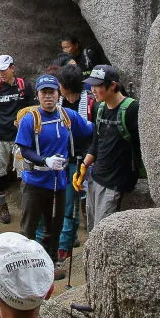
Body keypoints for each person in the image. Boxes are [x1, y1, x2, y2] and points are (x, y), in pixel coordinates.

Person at [16, 74, 92, 280]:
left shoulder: (68, 116)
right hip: (35, 180)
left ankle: (51, 262)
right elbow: (24, 149)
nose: (48, 97)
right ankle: (23, 266)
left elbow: (88, 130)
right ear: (37, 95)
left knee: (55, 225)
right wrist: (45, 160)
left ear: (58, 94)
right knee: (29, 227)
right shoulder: (30, 119)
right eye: (44, 93)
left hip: (59, 181)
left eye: (52, 92)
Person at [75, 65, 141, 231]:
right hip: (95, 177)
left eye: (97, 86)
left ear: (112, 85)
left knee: (102, 232)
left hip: (115, 183)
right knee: (91, 228)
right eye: (91, 85)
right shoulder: (99, 108)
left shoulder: (132, 109)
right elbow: (97, 141)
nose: (93, 90)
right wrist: (84, 165)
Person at [0, 54, 35, 225]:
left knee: (23, 171)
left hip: (21, 137)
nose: (1, 74)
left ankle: (26, 204)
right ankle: (2, 205)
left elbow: (33, 108)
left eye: (3, 70)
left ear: (12, 68)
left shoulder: (24, 86)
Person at [53, 64, 95, 261]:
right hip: (63, 159)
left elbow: (94, 133)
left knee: (72, 203)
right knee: (69, 202)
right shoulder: (59, 103)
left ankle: (64, 246)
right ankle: (69, 240)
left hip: (83, 159)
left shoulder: (90, 103)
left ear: (65, 86)